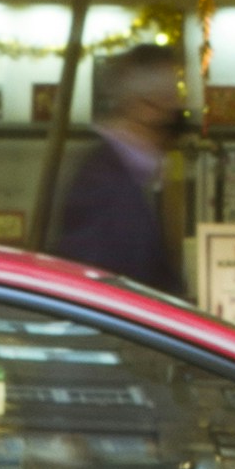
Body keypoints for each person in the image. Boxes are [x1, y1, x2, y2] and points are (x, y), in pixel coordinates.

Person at [49, 42, 189, 294]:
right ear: (146, 108)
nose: (172, 136)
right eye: (171, 114)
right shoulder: (103, 185)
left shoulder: (128, 176)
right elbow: (99, 289)